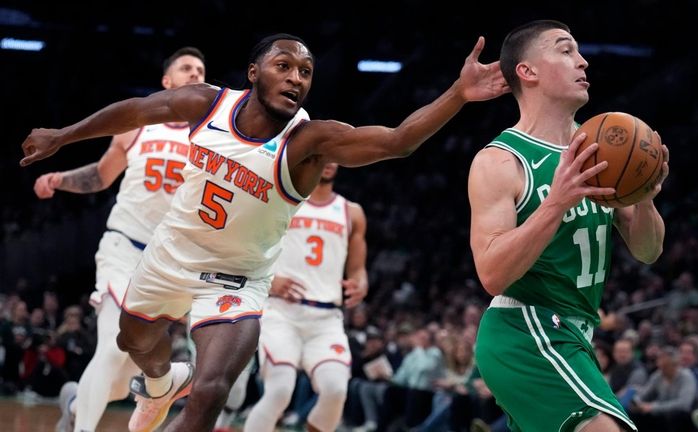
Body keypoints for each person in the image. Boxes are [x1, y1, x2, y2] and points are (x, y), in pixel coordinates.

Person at [20, 33, 508, 432]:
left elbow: (397, 142)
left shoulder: (309, 141)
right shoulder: (209, 104)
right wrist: (62, 136)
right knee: (133, 341)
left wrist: (458, 93)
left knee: (212, 390)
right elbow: (137, 110)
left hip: (236, 280)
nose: (295, 77)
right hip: (169, 255)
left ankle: (171, 392)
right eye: (284, 66)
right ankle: (161, 383)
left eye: (305, 72)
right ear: (254, 73)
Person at [469, 20, 668, 432]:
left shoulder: (601, 149)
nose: (582, 60)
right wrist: (556, 202)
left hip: (577, 335)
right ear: (528, 72)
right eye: (565, 50)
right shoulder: (502, 161)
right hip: (526, 331)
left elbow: (648, 251)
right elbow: (491, 274)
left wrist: (644, 198)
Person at [32, 46, 207, 432]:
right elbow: (102, 176)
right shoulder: (138, 126)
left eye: (200, 69)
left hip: (170, 264)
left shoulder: (212, 139)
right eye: (186, 68)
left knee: (122, 373)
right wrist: (61, 179)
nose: (195, 74)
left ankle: (77, 402)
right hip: (124, 247)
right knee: (111, 346)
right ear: (167, 81)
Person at [240, 162, 368, 432]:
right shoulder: (283, 201)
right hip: (282, 312)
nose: (329, 162)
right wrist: (270, 280)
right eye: (323, 155)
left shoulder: (351, 212)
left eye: (334, 156)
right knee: (279, 390)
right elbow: (249, 246)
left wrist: (360, 285)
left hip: (326, 319)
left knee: (335, 390)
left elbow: (358, 270)